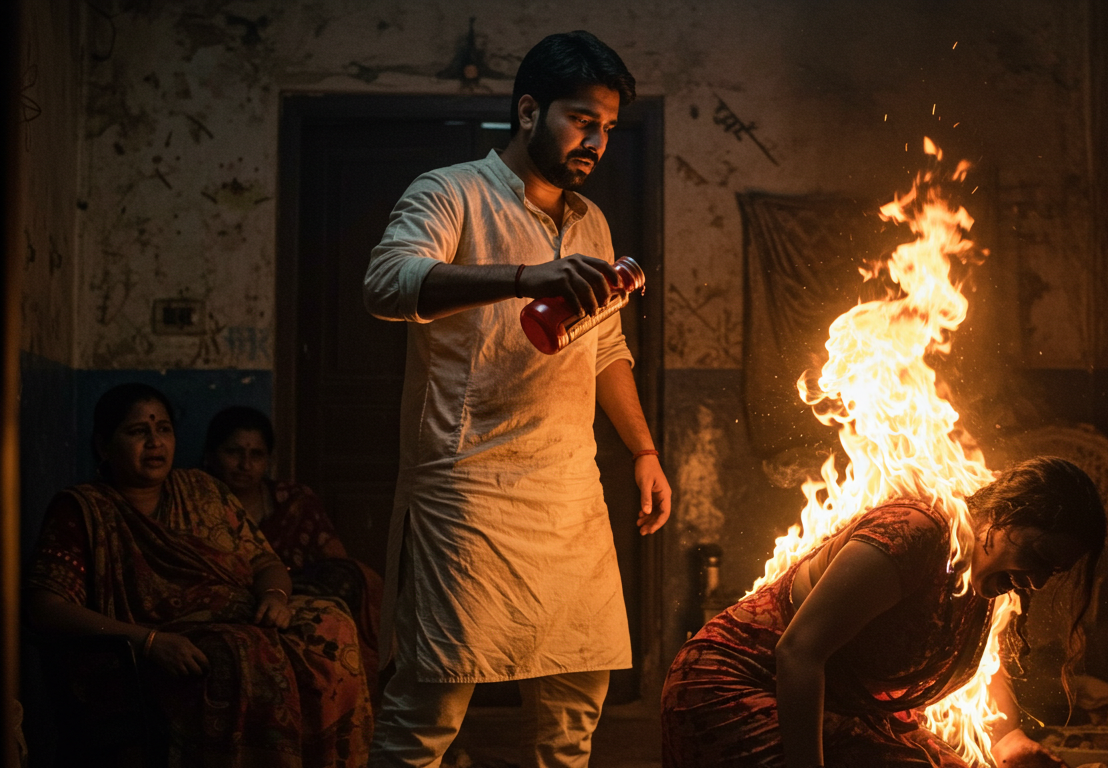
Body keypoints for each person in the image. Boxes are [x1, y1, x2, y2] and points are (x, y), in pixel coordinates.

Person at [362, 30, 671, 768]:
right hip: (466, 489)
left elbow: (605, 347)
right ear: (529, 111)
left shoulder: (590, 222)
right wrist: (524, 278)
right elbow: (386, 284)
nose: (596, 142)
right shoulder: (451, 192)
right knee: (430, 710)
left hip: (568, 491)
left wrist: (644, 450)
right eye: (581, 120)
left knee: (576, 710)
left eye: (607, 127)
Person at [661, 457, 1107, 768]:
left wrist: (1007, 740)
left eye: (1052, 570)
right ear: (1006, 514)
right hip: (739, 686)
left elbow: (986, 664)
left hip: (838, 709)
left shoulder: (988, 578)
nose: (1037, 581)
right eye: (1038, 556)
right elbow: (798, 653)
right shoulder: (916, 534)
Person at [23, 383, 373, 767]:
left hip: (242, 615)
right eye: (138, 431)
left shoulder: (202, 490)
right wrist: (150, 642)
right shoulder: (83, 511)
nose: (155, 442)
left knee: (332, 624)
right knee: (241, 654)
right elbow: (45, 607)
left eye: (164, 429)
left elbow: (265, 563)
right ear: (104, 446)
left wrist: (274, 597)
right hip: (153, 647)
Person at [204, 405, 384, 673]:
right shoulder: (196, 501)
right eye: (233, 452)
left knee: (352, 576)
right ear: (211, 455)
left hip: (292, 591)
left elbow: (333, 560)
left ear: (269, 460)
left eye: (256, 455)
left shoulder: (293, 500)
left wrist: (280, 591)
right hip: (232, 592)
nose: (245, 465)